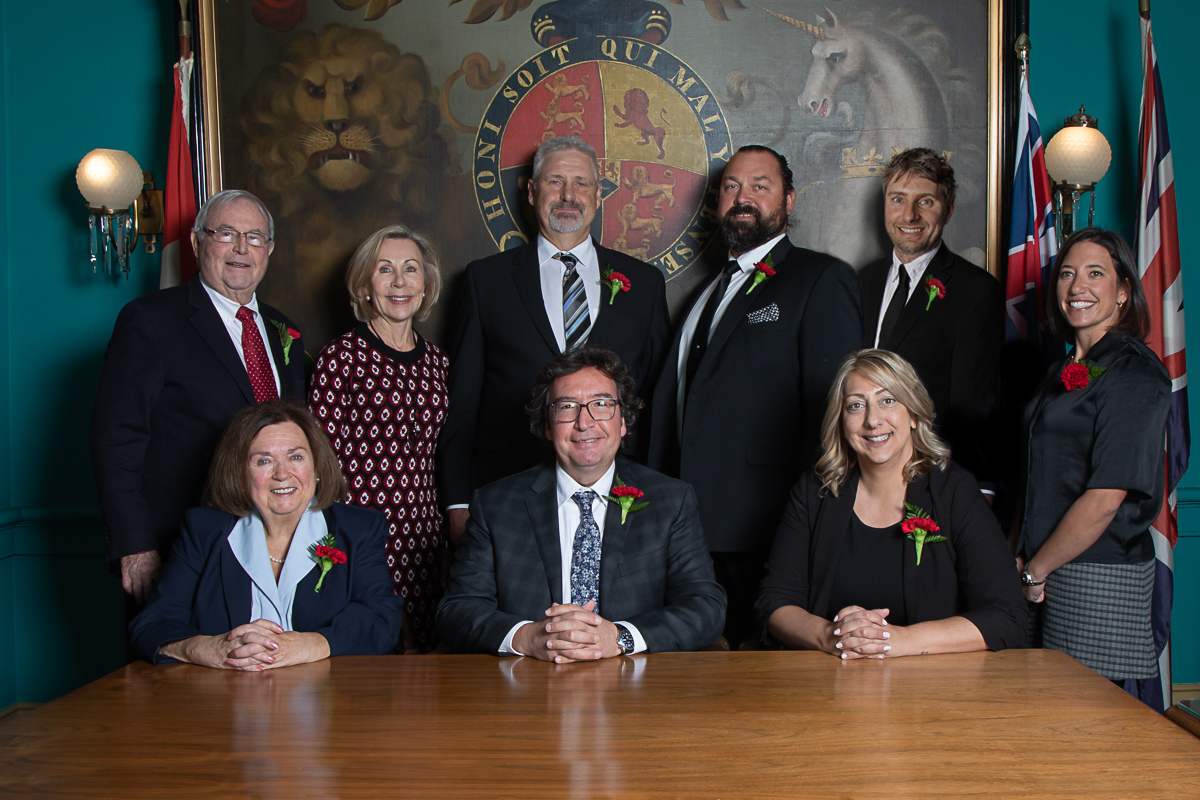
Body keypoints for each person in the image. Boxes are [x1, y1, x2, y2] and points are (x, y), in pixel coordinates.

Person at [647, 145, 862, 649]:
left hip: (766, 526)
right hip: (686, 525)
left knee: (758, 671)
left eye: (759, 186)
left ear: (788, 201)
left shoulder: (819, 278)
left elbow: (834, 410)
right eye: (731, 187)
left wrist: (811, 521)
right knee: (691, 669)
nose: (742, 198)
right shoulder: (703, 293)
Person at [438, 135, 670, 549]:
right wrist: (458, 504)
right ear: (532, 191)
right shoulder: (485, 281)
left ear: (597, 195)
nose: (568, 195)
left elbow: (656, 402)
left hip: (616, 499)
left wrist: (654, 496)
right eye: (555, 182)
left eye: (581, 183)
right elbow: (463, 405)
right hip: (506, 493)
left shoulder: (645, 285)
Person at [436, 346, 726, 659]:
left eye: (601, 404)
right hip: (530, 679)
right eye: (567, 407)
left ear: (623, 421)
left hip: (635, 680)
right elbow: (456, 610)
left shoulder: (671, 500)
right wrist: (527, 637)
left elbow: (706, 607)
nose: (584, 422)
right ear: (548, 425)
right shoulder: (494, 505)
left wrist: (621, 638)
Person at [92, 190, 307, 604]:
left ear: (268, 250)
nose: (241, 248)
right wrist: (134, 545)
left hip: (272, 548)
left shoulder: (285, 331)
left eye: (254, 237)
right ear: (196, 242)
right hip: (177, 546)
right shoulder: (151, 320)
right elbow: (116, 439)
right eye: (226, 233)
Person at [756, 350, 1026, 658]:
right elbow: (774, 603)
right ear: (841, 421)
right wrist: (830, 636)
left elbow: (1008, 615)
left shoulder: (955, 492)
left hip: (930, 683)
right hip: (830, 677)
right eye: (856, 405)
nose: (872, 420)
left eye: (887, 400)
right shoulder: (812, 492)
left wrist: (898, 640)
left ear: (913, 414)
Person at [129, 399, 404, 668]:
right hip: (225, 694)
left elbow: (382, 617)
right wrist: (210, 648)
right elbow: (152, 624)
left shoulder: (358, 529)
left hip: (330, 693)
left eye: (295, 457)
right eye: (263, 461)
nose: (282, 474)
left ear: (317, 466)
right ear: (240, 473)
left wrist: (311, 645)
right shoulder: (203, 530)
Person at [1016, 228, 1170, 684]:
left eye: (1095, 273)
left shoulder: (1134, 371)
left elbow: (1106, 498)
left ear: (1123, 291)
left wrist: (1036, 571)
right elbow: (1035, 476)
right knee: (1031, 708)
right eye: (1067, 274)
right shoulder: (1062, 370)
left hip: (1096, 576)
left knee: (1081, 714)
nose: (1077, 286)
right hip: (1040, 568)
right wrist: (1018, 558)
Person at [309, 225, 449, 653]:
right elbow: (319, 463)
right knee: (376, 658)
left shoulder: (439, 364)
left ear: (425, 284)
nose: (399, 282)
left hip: (425, 539)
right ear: (365, 285)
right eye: (385, 270)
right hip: (363, 537)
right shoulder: (340, 359)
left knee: (426, 663)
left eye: (411, 269)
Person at [857, 148, 1003, 491]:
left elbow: (973, 403)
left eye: (925, 201)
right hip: (859, 471)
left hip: (930, 476)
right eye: (898, 200)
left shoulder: (976, 291)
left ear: (948, 209)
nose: (909, 215)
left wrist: (979, 487)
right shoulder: (860, 282)